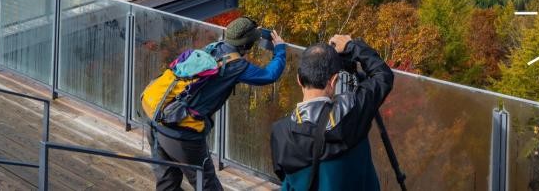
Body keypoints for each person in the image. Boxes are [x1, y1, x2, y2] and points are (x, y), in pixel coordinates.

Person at [151, 17, 286, 191]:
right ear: (246, 45)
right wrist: (280, 50)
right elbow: (269, 75)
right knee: (208, 186)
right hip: (183, 134)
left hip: (158, 119)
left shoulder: (213, 48)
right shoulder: (236, 65)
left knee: (167, 185)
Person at [270, 35, 394, 191]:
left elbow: (284, 175)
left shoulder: (281, 132)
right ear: (334, 80)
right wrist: (352, 47)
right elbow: (383, 75)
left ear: (299, 80)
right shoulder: (355, 112)